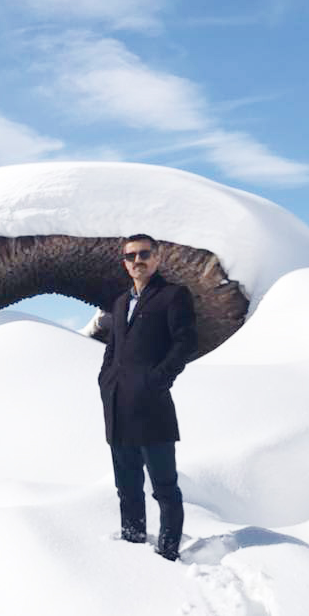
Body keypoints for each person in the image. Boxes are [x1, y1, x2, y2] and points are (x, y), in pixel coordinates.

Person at [97, 234, 197, 561]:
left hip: (152, 408)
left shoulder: (172, 296)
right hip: (118, 407)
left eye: (143, 255)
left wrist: (157, 380)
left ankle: (168, 552)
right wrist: (106, 378)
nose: (137, 261)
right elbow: (114, 346)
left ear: (157, 258)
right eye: (130, 256)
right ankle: (133, 548)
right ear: (124, 263)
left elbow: (185, 343)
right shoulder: (121, 302)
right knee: (126, 487)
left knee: (165, 488)